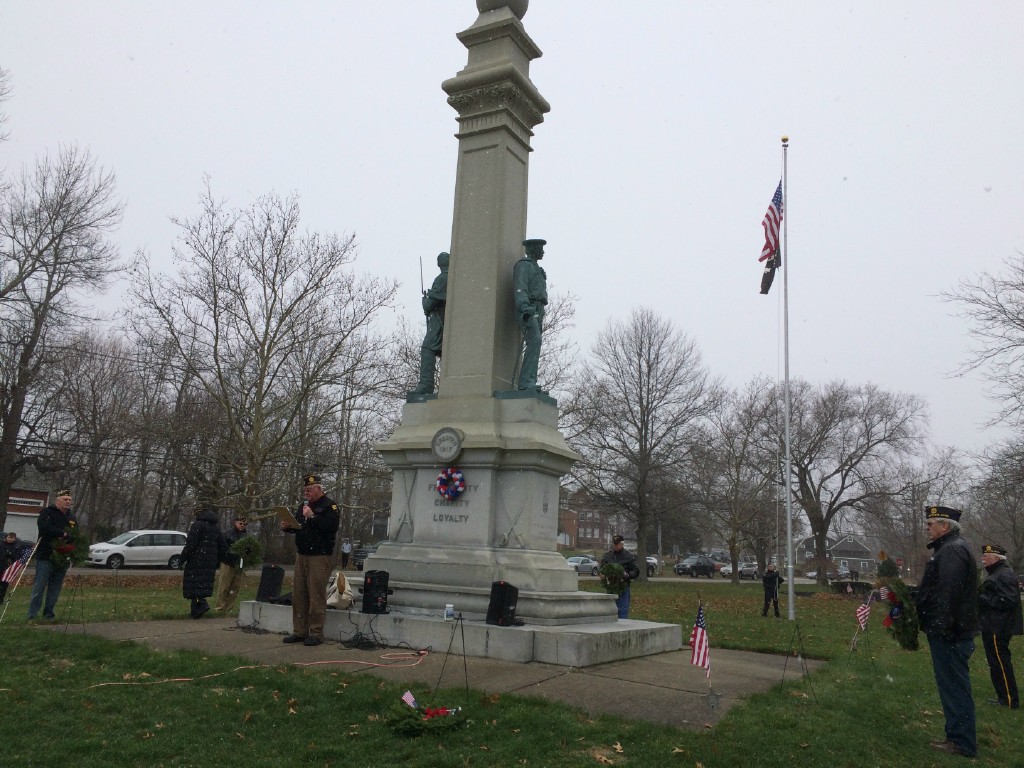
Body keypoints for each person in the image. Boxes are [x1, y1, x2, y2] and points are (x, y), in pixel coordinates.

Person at [915, 506, 979, 758]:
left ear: (945, 526)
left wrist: (942, 628)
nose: (927, 527)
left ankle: (962, 743)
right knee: (951, 686)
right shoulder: (949, 548)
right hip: (952, 630)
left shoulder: (952, 550)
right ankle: (956, 737)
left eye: (931, 523)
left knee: (955, 688)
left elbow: (948, 594)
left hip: (951, 633)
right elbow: (934, 590)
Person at [281, 474, 340, 646]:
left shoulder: (330, 506)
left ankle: (316, 632)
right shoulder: (303, 506)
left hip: (320, 556)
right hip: (302, 554)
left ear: (319, 489)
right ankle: (299, 631)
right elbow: (299, 527)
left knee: (316, 595)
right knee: (299, 594)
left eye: (309, 490)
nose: (306, 493)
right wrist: (287, 527)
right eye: (304, 490)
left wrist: (313, 516)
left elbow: (331, 527)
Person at [978, 542, 1022, 709]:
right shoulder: (997, 573)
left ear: (996, 557)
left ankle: (1010, 700)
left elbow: (1009, 600)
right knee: (995, 663)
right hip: (992, 625)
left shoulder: (1003, 574)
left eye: (986, 556)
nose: (983, 559)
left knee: (1000, 663)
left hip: (998, 626)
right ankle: (1003, 697)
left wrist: (983, 599)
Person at [27, 489, 76, 621]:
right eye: (65, 499)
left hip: (62, 558)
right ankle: (32, 615)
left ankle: (49, 614)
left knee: (55, 589)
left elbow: (75, 533)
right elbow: (44, 529)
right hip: (46, 556)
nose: (68, 502)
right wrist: (62, 534)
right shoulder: (47, 513)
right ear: (58, 501)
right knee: (39, 587)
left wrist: (71, 541)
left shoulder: (71, 517)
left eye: (70, 500)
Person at [181, 506, 228, 619]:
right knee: (201, 585)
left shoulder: (197, 525)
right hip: (210, 562)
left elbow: (190, 544)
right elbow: (222, 546)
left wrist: (183, 558)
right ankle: (196, 612)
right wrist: (217, 560)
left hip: (196, 560)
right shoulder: (215, 528)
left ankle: (201, 605)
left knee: (194, 585)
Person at [513, 238, 548, 391]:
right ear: (533, 249)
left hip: (539, 309)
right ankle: (525, 382)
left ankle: (531, 380)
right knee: (535, 341)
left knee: (536, 343)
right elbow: (520, 287)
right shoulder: (523, 265)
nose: (543, 251)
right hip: (529, 309)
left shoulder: (537, 268)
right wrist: (524, 306)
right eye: (540, 249)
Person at [411, 251, 449, 395]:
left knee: (427, 348)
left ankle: (426, 384)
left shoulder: (441, 278)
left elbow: (429, 305)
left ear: (439, 264)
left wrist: (425, 300)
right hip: (447, 319)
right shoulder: (453, 277)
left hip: (439, 319)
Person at [600, 534, 640, 619]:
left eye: (617, 544)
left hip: (623, 588)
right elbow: (602, 569)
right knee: (610, 611)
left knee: (622, 611)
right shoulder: (608, 556)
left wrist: (628, 575)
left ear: (622, 544)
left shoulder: (628, 556)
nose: (616, 546)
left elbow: (636, 571)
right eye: (614, 544)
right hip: (611, 587)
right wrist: (602, 574)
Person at [214, 516, 249, 612]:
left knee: (235, 587)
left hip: (239, 564)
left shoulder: (245, 536)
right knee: (224, 586)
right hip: (227, 563)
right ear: (235, 522)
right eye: (240, 523)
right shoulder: (227, 534)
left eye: (244, 524)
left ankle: (229, 608)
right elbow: (222, 548)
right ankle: (220, 607)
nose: (242, 526)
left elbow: (248, 549)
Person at [1, 531, 30, 603]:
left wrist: (11, 556)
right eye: (8, 537)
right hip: (1, 564)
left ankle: (1, 598)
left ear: (14, 538)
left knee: (4, 583)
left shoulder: (17, 546)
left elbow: (18, 556)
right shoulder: (1, 544)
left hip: (8, 567)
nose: (9, 539)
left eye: (12, 538)